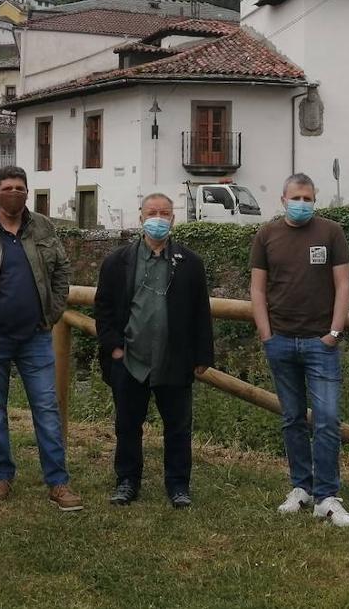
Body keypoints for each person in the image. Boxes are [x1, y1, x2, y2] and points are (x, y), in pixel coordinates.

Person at [0, 165, 82, 512]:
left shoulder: (44, 227)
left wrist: (52, 312)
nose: (15, 193)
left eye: (20, 188)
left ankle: (58, 482)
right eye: (8, 187)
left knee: (46, 410)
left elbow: (62, 270)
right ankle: (1, 476)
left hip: (35, 336)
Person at [94, 193, 214, 508]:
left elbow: (201, 311)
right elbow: (104, 309)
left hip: (174, 360)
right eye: (152, 212)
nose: (158, 218)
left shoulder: (190, 263)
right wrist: (114, 349)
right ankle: (126, 481)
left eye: (164, 212)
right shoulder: (117, 261)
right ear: (141, 217)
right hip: (130, 358)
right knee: (127, 425)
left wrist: (202, 356)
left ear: (173, 219)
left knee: (177, 427)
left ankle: (178, 486)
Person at [250, 172, 349, 527]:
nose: (302, 203)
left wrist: (335, 331)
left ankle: (327, 495)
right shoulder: (266, 235)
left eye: (308, 198)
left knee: (326, 420)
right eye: (296, 197)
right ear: (283, 200)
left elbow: (343, 284)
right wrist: (266, 334)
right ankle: (301, 488)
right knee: (293, 418)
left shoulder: (331, 232)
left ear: (315, 199)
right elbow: (258, 289)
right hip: (280, 341)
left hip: (320, 343)